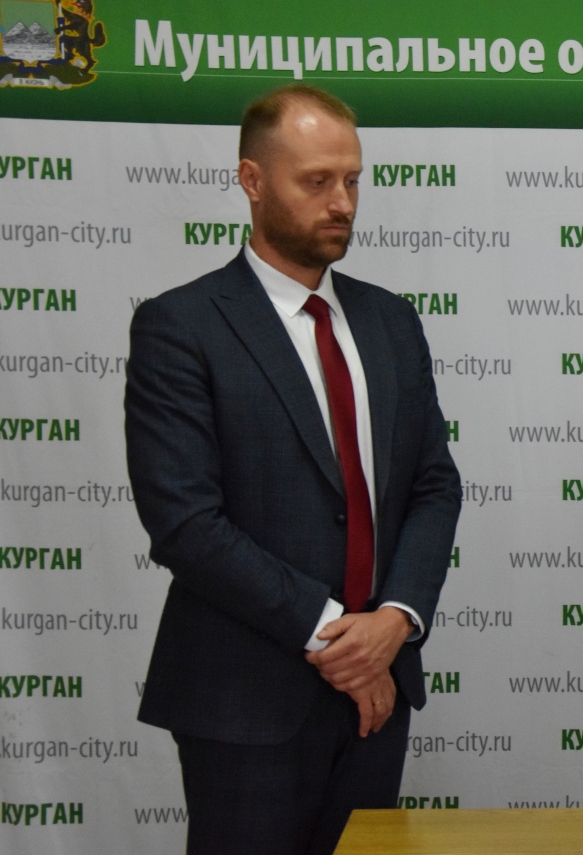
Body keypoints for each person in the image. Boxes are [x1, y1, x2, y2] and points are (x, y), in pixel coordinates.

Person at [125, 84, 462, 854]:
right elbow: (185, 523)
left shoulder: (390, 320)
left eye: (352, 180)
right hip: (245, 700)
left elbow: (432, 484)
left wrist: (395, 620)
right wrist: (338, 639)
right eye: (316, 181)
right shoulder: (181, 326)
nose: (342, 202)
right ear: (252, 180)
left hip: (379, 693)